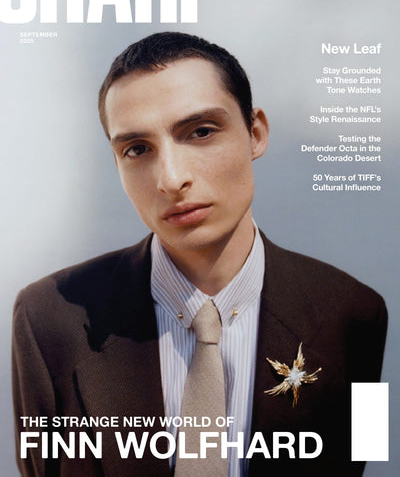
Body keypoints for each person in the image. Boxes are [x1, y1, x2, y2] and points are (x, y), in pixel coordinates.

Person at [12, 32, 387, 477]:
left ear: (255, 133)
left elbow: (362, 459)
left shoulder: (359, 314)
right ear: (117, 165)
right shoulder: (45, 318)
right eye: (137, 149)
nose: (171, 179)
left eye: (201, 131)